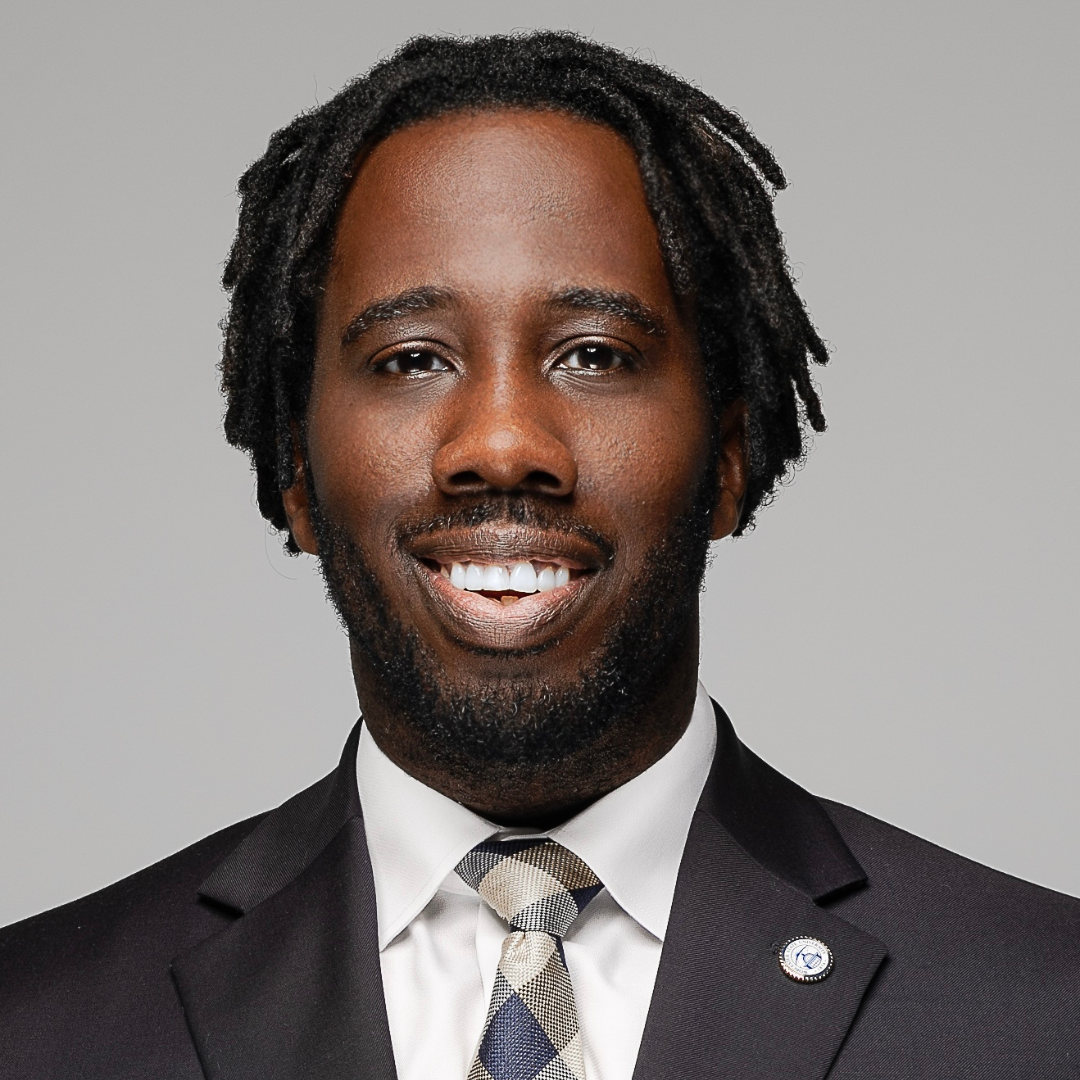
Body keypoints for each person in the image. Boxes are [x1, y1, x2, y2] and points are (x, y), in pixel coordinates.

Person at [1, 32, 1076, 1080]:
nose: (502, 444)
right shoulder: (36, 1023)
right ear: (296, 473)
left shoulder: (1043, 1006)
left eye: (595, 355)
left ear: (732, 460)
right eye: (412, 358)